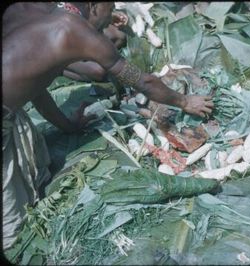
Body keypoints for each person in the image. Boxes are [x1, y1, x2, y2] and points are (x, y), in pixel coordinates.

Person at [2, 2, 213, 250]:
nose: (110, 17)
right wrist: (184, 101)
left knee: (35, 168)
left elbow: (34, 87)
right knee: (11, 230)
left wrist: (68, 126)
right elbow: (142, 81)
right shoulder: (74, 29)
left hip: (10, 109)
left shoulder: (31, 10)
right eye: (109, 8)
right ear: (93, 5)